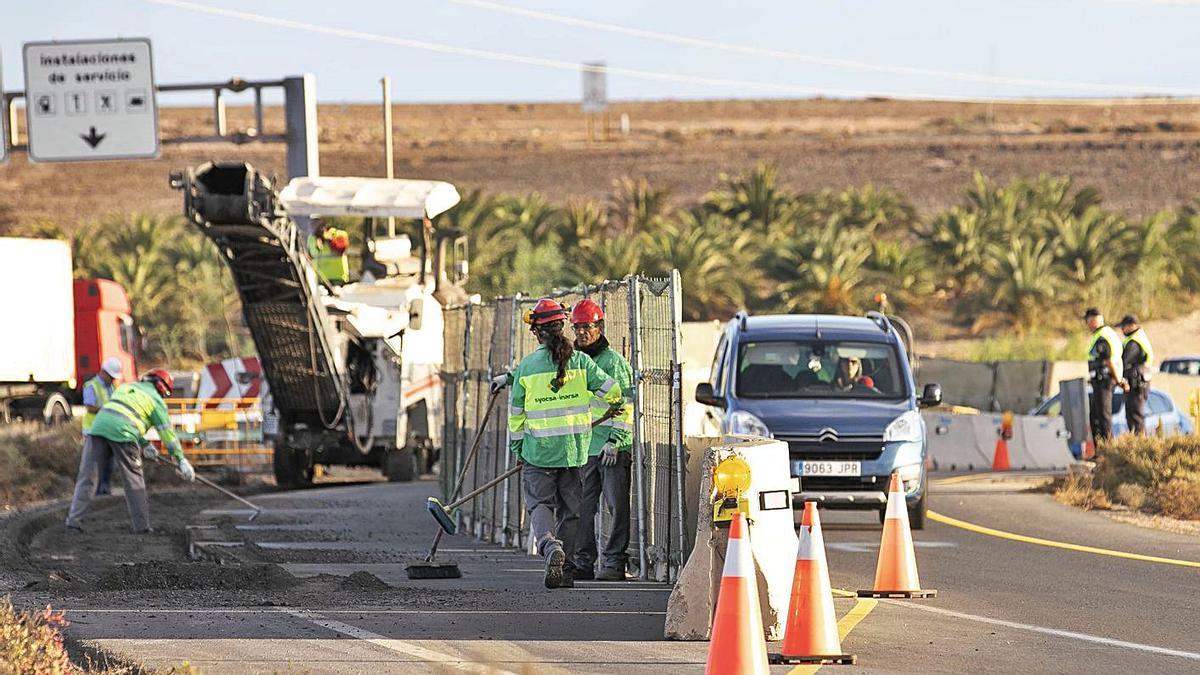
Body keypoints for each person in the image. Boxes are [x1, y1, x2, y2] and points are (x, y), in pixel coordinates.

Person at [508, 298, 623, 589]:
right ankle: (567, 570)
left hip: (538, 453)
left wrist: (518, 450)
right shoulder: (582, 363)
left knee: (539, 505)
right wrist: (610, 405)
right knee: (571, 511)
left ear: (536, 332)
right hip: (574, 452)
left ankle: (549, 547)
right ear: (563, 328)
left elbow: (516, 415)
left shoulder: (527, 367)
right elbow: (613, 390)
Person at [65, 369, 195, 533]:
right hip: (124, 434)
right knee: (134, 481)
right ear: (162, 389)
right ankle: (142, 527)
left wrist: (145, 444)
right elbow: (167, 435)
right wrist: (181, 459)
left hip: (98, 428)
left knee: (87, 477)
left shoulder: (126, 388)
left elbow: (123, 415)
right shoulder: (155, 401)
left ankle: (73, 522)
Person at [569, 299, 634, 582]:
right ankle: (583, 562)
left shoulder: (614, 363)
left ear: (600, 327)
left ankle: (613, 563)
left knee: (616, 506)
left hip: (610, 448)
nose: (582, 333)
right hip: (584, 448)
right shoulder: (574, 361)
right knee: (582, 508)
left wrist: (616, 440)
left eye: (587, 327)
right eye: (578, 327)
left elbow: (626, 403)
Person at [82, 357, 124, 496]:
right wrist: (107, 410)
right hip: (93, 430)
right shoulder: (91, 386)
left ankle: (104, 488)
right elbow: (90, 407)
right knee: (96, 462)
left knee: (108, 461)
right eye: (111, 377)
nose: (112, 380)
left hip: (108, 430)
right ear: (103, 372)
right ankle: (95, 490)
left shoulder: (111, 387)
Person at [1083, 308, 1123, 446]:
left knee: (1103, 417)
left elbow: (1109, 361)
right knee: (1095, 416)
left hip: (1104, 381)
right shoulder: (1105, 333)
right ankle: (1100, 450)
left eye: (1087, 321)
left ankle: (1107, 451)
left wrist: (1118, 380)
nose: (1087, 325)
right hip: (1102, 381)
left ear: (1093, 319)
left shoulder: (1102, 336)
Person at [1118, 315, 1154, 436]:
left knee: (1135, 416)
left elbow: (1124, 361)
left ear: (1132, 325)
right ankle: (1137, 441)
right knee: (1134, 415)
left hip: (1136, 383)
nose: (1122, 330)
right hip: (1139, 382)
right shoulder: (1140, 338)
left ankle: (1138, 442)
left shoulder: (1134, 342)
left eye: (1123, 327)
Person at [306, 218, 350, 286]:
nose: (313, 226)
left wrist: (328, 239)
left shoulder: (338, 234)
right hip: (319, 279)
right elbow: (309, 256)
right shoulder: (311, 238)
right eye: (312, 223)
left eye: (317, 223)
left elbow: (341, 247)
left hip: (337, 278)